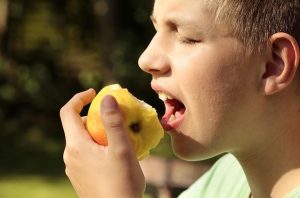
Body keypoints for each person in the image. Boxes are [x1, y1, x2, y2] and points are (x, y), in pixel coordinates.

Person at [59, 0, 300, 197]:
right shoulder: (226, 179)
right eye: (156, 29)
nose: (146, 59)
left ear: (272, 65)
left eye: (186, 37)